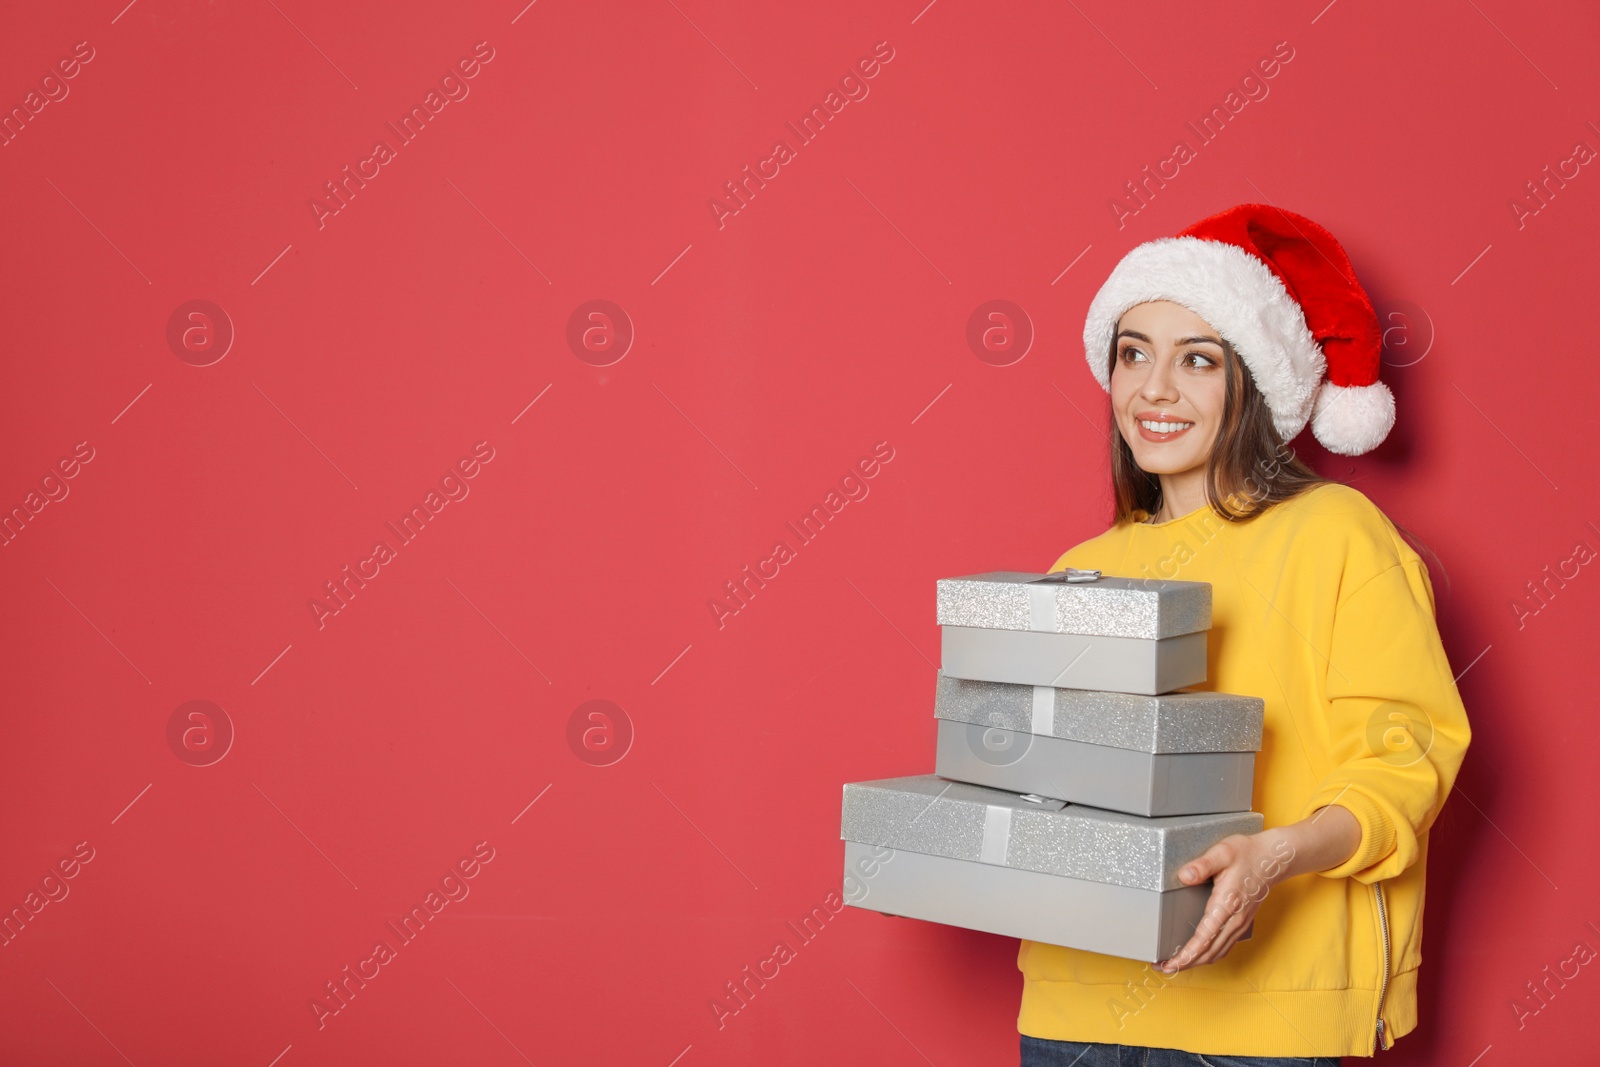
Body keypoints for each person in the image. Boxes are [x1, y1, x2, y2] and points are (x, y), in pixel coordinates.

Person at [1017, 204, 1472, 1065]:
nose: (1154, 389)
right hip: (1077, 1002)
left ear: (1254, 383)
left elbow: (1405, 762)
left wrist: (1276, 853)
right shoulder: (1081, 563)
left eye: (1198, 360)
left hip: (1261, 1007)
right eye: (1133, 353)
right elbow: (1050, 775)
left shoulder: (1337, 532)